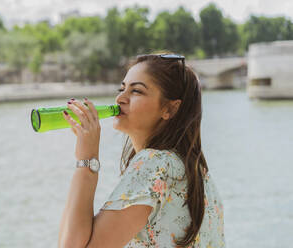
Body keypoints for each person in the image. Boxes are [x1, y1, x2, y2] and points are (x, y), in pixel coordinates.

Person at [58, 53, 225, 248]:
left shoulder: (154, 164)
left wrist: (87, 160)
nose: (120, 98)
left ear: (170, 109)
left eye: (136, 91)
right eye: (122, 88)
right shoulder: (199, 173)